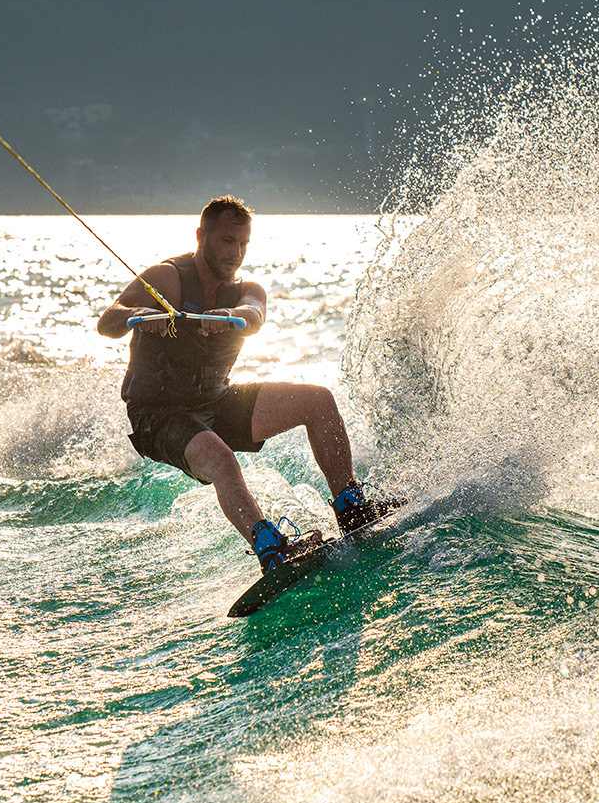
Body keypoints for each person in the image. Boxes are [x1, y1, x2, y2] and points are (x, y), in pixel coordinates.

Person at [97, 195, 398, 574]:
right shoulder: (166, 278)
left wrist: (230, 315)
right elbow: (108, 320)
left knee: (318, 401)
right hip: (158, 414)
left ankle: (351, 507)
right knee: (221, 458)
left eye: (243, 244)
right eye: (226, 241)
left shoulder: (246, 290)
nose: (235, 253)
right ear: (201, 236)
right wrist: (140, 315)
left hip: (215, 400)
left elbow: (253, 315)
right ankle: (270, 549)